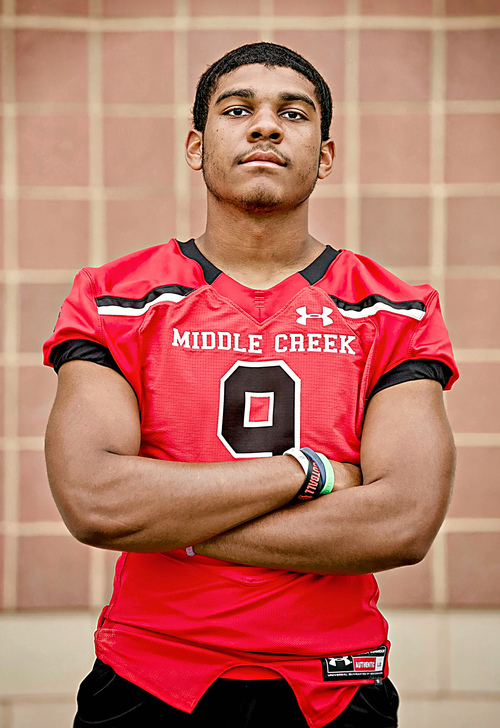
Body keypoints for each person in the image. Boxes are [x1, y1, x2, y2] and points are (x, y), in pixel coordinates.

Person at [43, 42, 458, 728]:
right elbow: (96, 503)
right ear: (196, 146)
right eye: (238, 110)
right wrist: (312, 474)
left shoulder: (394, 310)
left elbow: (403, 522)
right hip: (149, 674)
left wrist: (171, 521)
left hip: (334, 681)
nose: (265, 125)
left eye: (293, 114)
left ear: (324, 156)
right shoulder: (114, 299)